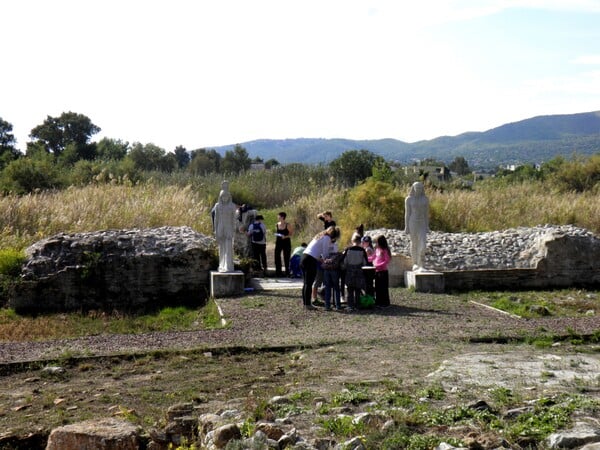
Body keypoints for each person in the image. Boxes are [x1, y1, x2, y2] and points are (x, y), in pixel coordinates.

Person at [300, 226, 341, 310]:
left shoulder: (320, 236)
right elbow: (325, 253)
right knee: (309, 282)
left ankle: (306, 303)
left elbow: (317, 252)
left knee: (306, 283)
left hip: (304, 257)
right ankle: (308, 304)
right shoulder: (326, 238)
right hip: (310, 260)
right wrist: (328, 260)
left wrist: (322, 260)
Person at [405, 181, 430, 270]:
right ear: (413, 188)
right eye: (416, 188)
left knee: (423, 243)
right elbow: (407, 213)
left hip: (422, 222)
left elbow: (426, 214)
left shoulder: (425, 199)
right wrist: (406, 226)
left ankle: (421, 264)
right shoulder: (409, 199)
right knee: (414, 243)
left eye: (420, 188)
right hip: (413, 222)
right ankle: (415, 263)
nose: (418, 190)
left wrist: (427, 226)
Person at [213, 181, 236, 272]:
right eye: (223, 197)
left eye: (226, 196)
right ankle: (221, 264)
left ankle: (228, 265)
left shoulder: (232, 206)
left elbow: (234, 219)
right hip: (220, 227)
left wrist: (233, 229)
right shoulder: (218, 206)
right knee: (221, 248)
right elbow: (216, 219)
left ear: (229, 197)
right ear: (220, 197)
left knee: (228, 247)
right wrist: (215, 230)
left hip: (229, 228)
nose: (224, 198)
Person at [342, 233, 368, 312]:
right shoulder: (362, 250)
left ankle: (350, 306)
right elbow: (365, 262)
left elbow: (345, 262)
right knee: (357, 289)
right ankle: (357, 305)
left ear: (352, 240)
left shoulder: (348, 249)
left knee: (350, 290)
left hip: (350, 271)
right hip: (359, 271)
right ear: (360, 241)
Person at [321, 237, 342, 311]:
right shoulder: (335, 244)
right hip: (334, 268)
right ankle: (338, 305)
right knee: (336, 287)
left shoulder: (325, 244)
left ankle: (327, 305)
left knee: (327, 287)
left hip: (326, 268)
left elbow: (323, 255)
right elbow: (337, 255)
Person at [373, 234, 392, 307]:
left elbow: (387, 261)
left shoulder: (385, 250)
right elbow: (373, 257)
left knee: (383, 288)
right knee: (377, 287)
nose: (376, 244)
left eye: (377, 242)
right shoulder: (377, 250)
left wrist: (378, 265)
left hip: (383, 271)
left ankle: (385, 303)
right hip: (377, 271)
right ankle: (378, 302)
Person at [274, 212, 294, 277]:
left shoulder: (288, 225)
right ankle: (278, 272)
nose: (278, 217)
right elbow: (276, 232)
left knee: (286, 257)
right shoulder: (277, 224)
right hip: (278, 242)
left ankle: (287, 272)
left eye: (279, 216)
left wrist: (285, 236)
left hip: (286, 242)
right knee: (277, 256)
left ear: (282, 217)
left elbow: (291, 233)